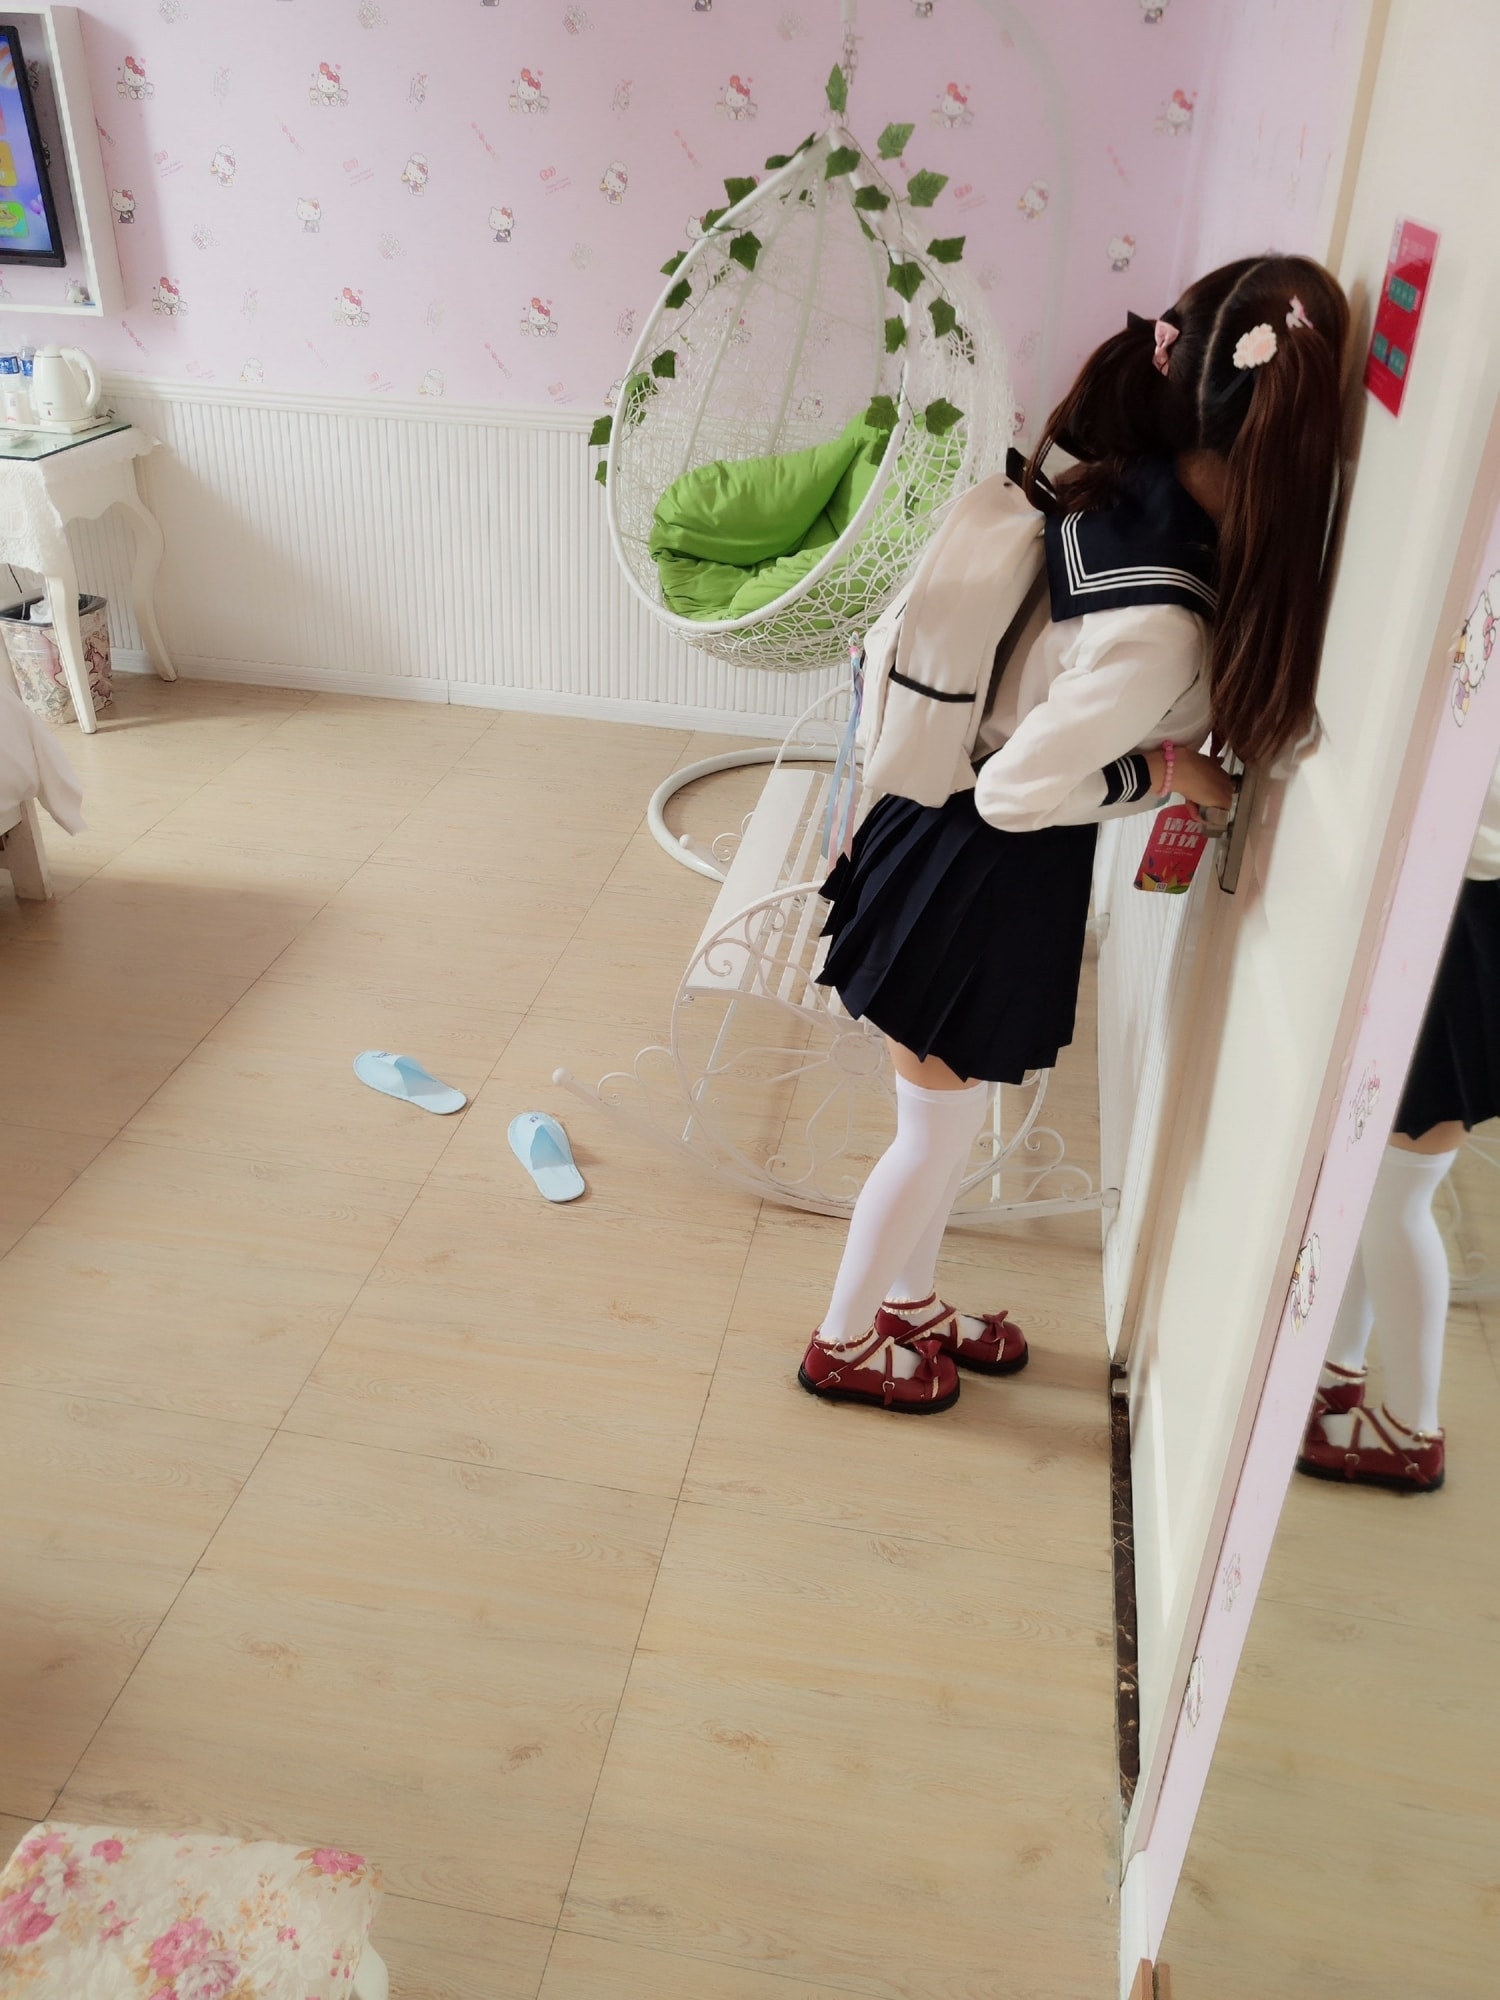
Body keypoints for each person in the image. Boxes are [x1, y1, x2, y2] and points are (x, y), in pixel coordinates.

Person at [799, 254, 1351, 1414]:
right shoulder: (1166, 615)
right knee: (931, 1136)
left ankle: (906, 1303)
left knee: (940, 1127)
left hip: (954, 846)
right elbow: (1017, 791)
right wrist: (1169, 769)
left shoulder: (1130, 483)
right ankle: (841, 1340)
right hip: (976, 862)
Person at [1297, 755, 1500, 1492]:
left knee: (1397, 1189)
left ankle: (1414, 1433)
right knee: (1381, 1181)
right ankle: (1339, 1371)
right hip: (1458, 900)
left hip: (1468, 907)